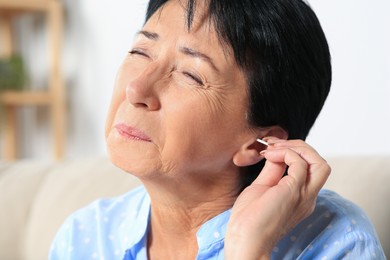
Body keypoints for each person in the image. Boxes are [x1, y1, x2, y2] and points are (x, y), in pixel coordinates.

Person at [50, 0, 386, 259]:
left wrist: (248, 249)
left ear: (260, 145)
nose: (136, 89)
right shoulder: (85, 234)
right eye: (141, 51)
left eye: (190, 75)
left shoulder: (335, 238)